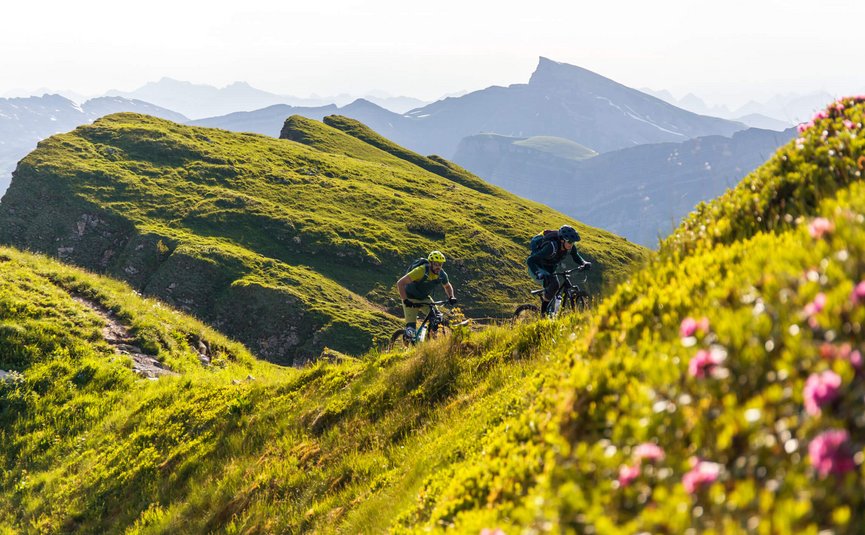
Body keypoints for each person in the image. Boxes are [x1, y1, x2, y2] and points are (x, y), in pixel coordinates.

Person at [526, 225, 591, 315]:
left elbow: (576, 256)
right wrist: (539, 273)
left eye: (573, 242)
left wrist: (584, 263)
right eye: (569, 242)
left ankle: (554, 311)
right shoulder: (550, 247)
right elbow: (530, 260)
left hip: (550, 267)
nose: (571, 244)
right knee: (554, 284)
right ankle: (543, 313)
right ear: (562, 240)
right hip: (536, 267)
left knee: (557, 286)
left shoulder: (570, 246)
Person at [396, 250, 457, 341]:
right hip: (410, 298)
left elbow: (447, 286)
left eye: (440, 265)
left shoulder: (441, 274)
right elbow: (400, 283)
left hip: (424, 298)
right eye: (436, 264)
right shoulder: (420, 271)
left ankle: (428, 342)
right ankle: (406, 346)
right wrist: (405, 300)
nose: (438, 267)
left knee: (437, 318)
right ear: (430, 263)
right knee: (411, 332)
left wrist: (451, 296)